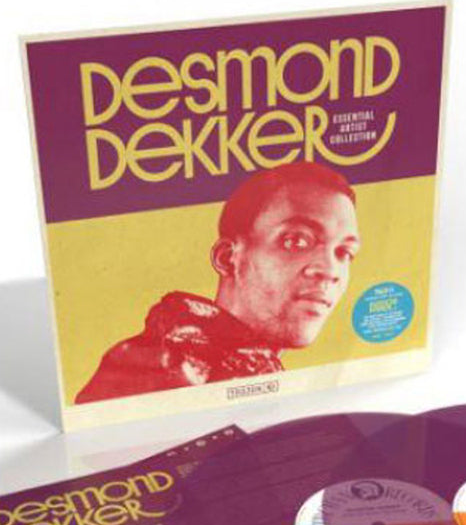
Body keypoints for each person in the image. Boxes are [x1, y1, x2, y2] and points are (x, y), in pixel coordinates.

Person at [75, 162, 360, 403]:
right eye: (295, 240)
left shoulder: (244, 371)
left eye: (344, 252)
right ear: (227, 258)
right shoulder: (153, 370)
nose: (331, 270)